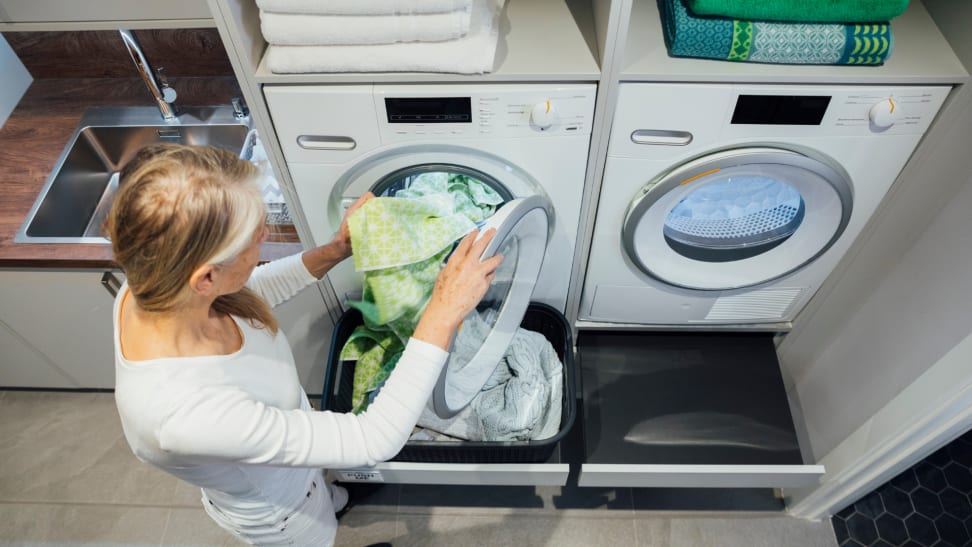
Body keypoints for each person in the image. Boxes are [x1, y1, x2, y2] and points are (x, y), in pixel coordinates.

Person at [107, 143, 503, 546]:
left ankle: (336, 497)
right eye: (254, 236)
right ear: (205, 277)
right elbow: (373, 438)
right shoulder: (181, 415)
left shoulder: (151, 283)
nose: (265, 234)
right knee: (319, 533)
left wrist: (335, 250)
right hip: (281, 514)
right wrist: (444, 309)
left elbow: (246, 294)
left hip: (292, 463)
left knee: (330, 497)